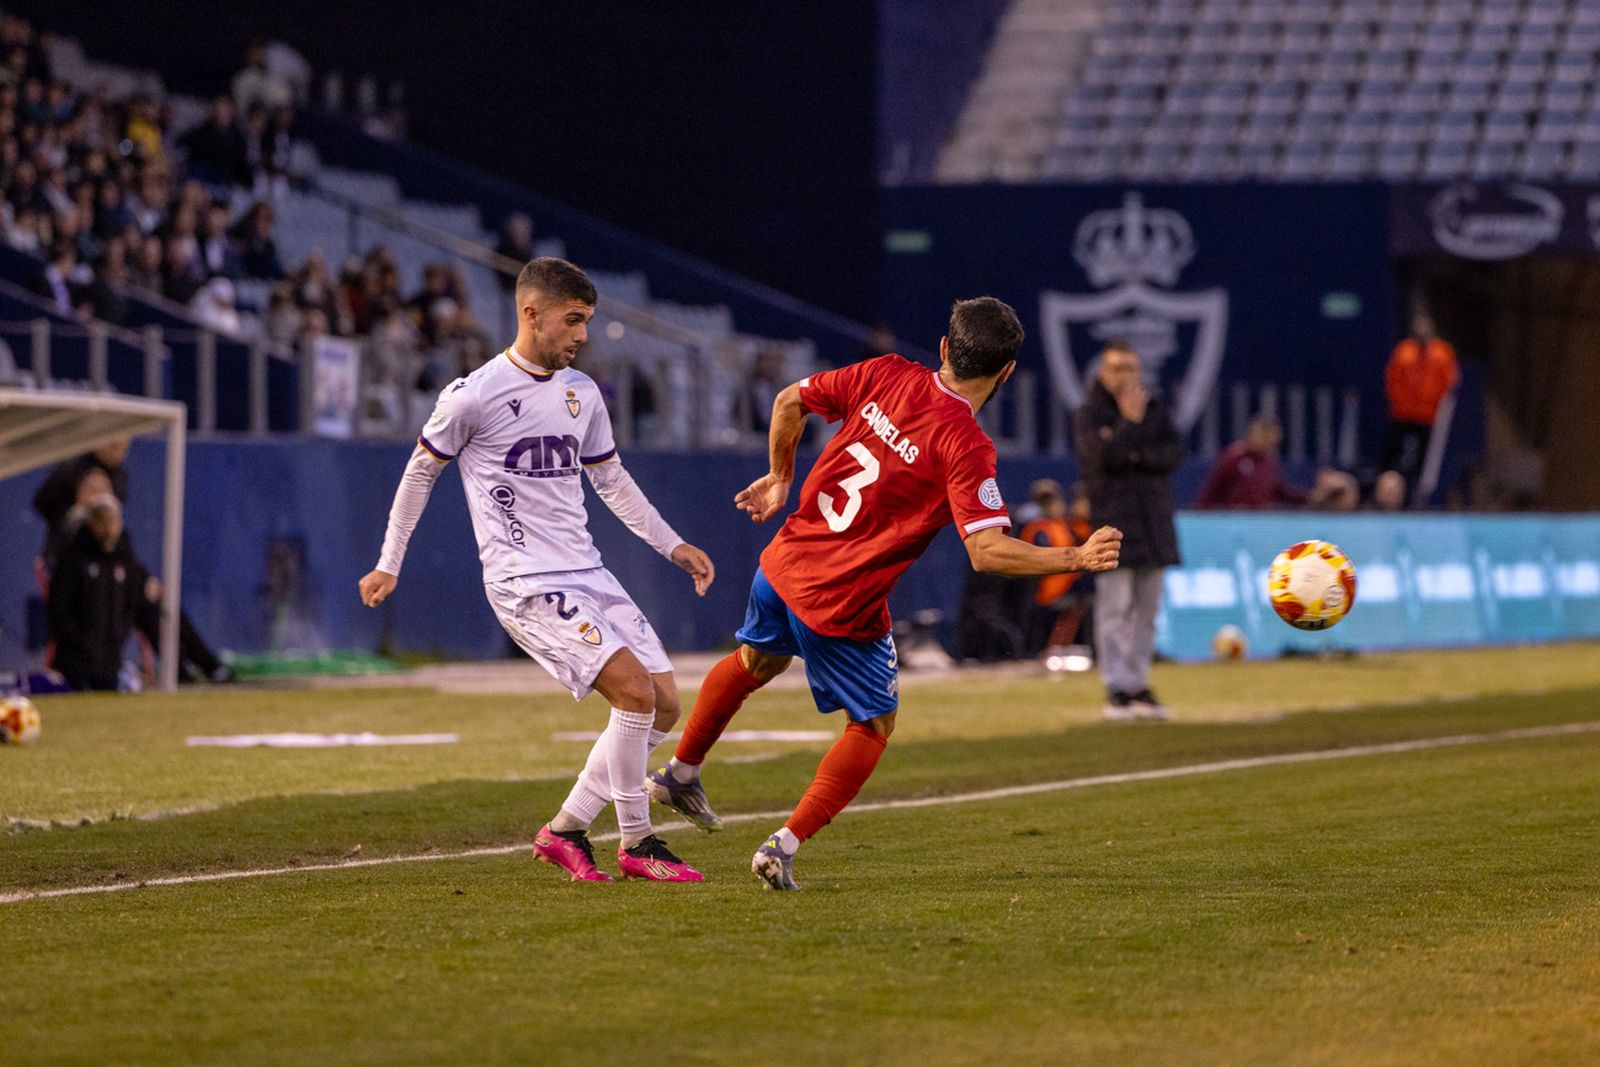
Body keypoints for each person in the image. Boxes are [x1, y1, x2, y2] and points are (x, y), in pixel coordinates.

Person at [648, 297, 1123, 890]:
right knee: (873, 725)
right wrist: (1075, 556)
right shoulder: (966, 444)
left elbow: (788, 400)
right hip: (841, 601)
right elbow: (987, 550)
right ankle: (783, 844)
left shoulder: (887, 372)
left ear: (946, 349)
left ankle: (681, 771)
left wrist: (780, 475)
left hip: (783, 562)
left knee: (756, 659)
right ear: (1006, 373)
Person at [358, 257, 717, 884]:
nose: (582, 335)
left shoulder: (582, 394)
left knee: (663, 703)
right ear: (531, 314)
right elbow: (420, 472)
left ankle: (566, 830)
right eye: (573, 321)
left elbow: (613, 482)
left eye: (587, 322)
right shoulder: (474, 395)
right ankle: (638, 842)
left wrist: (672, 545)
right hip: (526, 582)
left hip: (588, 571)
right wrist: (390, 562)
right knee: (633, 693)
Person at [1074, 341, 1181, 722]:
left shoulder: (1154, 408)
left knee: (1147, 612)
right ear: (1103, 372)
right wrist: (1129, 426)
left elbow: (1172, 455)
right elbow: (1102, 459)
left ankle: (1138, 683)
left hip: (1153, 525)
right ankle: (1116, 686)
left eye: (1131, 368)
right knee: (1115, 609)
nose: (1125, 376)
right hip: (1114, 526)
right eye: (1117, 368)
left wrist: (1133, 454)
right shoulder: (1089, 413)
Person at [47, 494, 146, 691]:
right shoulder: (73, 558)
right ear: (92, 523)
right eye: (103, 521)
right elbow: (59, 607)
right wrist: (78, 642)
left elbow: (131, 604)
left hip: (111, 661)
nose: (109, 529)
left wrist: (120, 635)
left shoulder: (125, 561)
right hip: (75, 662)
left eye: (114, 521)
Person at [1383, 314, 1458, 502]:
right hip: (1403, 415)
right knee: (1394, 455)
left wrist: (1435, 405)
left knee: (1425, 460)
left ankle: (1421, 495)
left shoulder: (1442, 352)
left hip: (1428, 417)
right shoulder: (1404, 351)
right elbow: (1393, 379)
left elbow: (1450, 382)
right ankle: (1390, 492)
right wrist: (1400, 403)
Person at [1194, 415, 1307, 509]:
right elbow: (1212, 489)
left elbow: (1280, 491)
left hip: (1258, 524)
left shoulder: (1270, 462)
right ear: (1255, 433)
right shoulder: (1234, 456)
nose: (1271, 444)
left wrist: (1308, 498)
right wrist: (1199, 514)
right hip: (1232, 523)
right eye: (1267, 438)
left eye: (1274, 440)